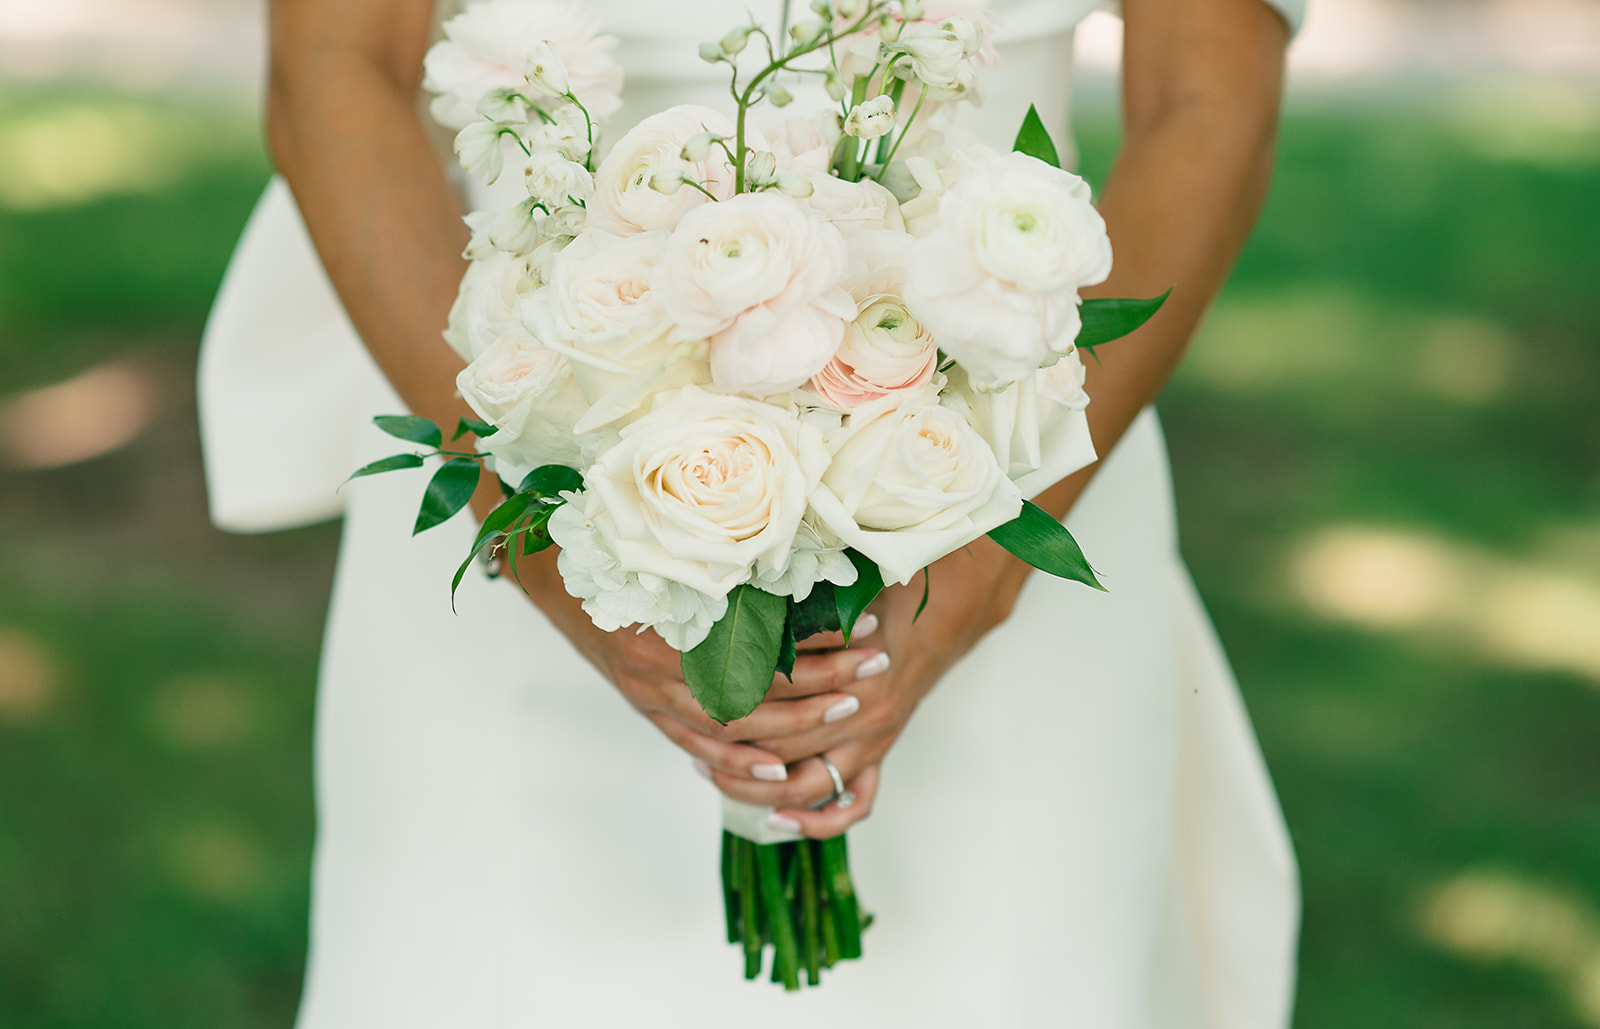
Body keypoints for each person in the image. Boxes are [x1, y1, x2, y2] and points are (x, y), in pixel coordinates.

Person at [198, 0, 1304, 1024]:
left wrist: (980, 568)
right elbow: (335, 63)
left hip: (1004, 464)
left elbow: (1208, 96)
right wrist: (549, 548)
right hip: (514, 435)